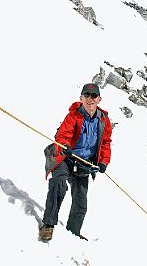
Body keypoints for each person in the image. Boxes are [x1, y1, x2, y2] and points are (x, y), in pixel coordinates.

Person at [39, 82, 113, 242]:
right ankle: (48, 224)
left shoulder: (104, 120)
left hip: (84, 164)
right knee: (59, 184)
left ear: (99, 99)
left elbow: (106, 142)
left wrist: (104, 162)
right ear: (81, 98)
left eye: (94, 96)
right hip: (65, 157)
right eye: (87, 95)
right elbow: (62, 135)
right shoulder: (73, 115)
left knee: (81, 204)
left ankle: (73, 233)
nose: (90, 99)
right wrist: (65, 145)